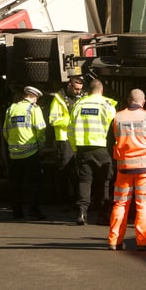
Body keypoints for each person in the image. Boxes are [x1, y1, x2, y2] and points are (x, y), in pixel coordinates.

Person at [107, 88, 146, 251]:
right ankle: (143, 242)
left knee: (120, 203)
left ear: (128, 100)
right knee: (144, 204)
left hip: (124, 168)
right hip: (145, 168)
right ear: (143, 101)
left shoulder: (117, 117)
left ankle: (114, 241)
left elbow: (109, 142)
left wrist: (116, 160)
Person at [68, 78, 117, 226]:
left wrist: (75, 148)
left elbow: (70, 129)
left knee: (84, 181)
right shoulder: (107, 105)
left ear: (88, 90)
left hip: (83, 148)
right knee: (104, 183)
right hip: (102, 149)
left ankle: (82, 213)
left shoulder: (78, 104)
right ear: (101, 91)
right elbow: (115, 129)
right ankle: (102, 216)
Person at [2, 86, 47, 220]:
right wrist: (41, 145)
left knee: (16, 183)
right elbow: (40, 129)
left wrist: (12, 145)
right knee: (34, 182)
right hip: (30, 152)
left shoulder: (11, 109)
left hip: (14, 153)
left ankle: (17, 211)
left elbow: (5, 131)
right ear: (35, 98)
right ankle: (33, 209)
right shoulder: (34, 109)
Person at [49, 75, 85, 208]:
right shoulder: (58, 99)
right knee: (64, 171)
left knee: (78, 172)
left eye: (80, 89)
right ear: (69, 85)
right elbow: (53, 120)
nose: (78, 92)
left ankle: (76, 200)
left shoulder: (81, 98)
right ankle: (63, 201)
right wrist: (70, 121)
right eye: (76, 89)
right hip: (64, 140)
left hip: (78, 139)